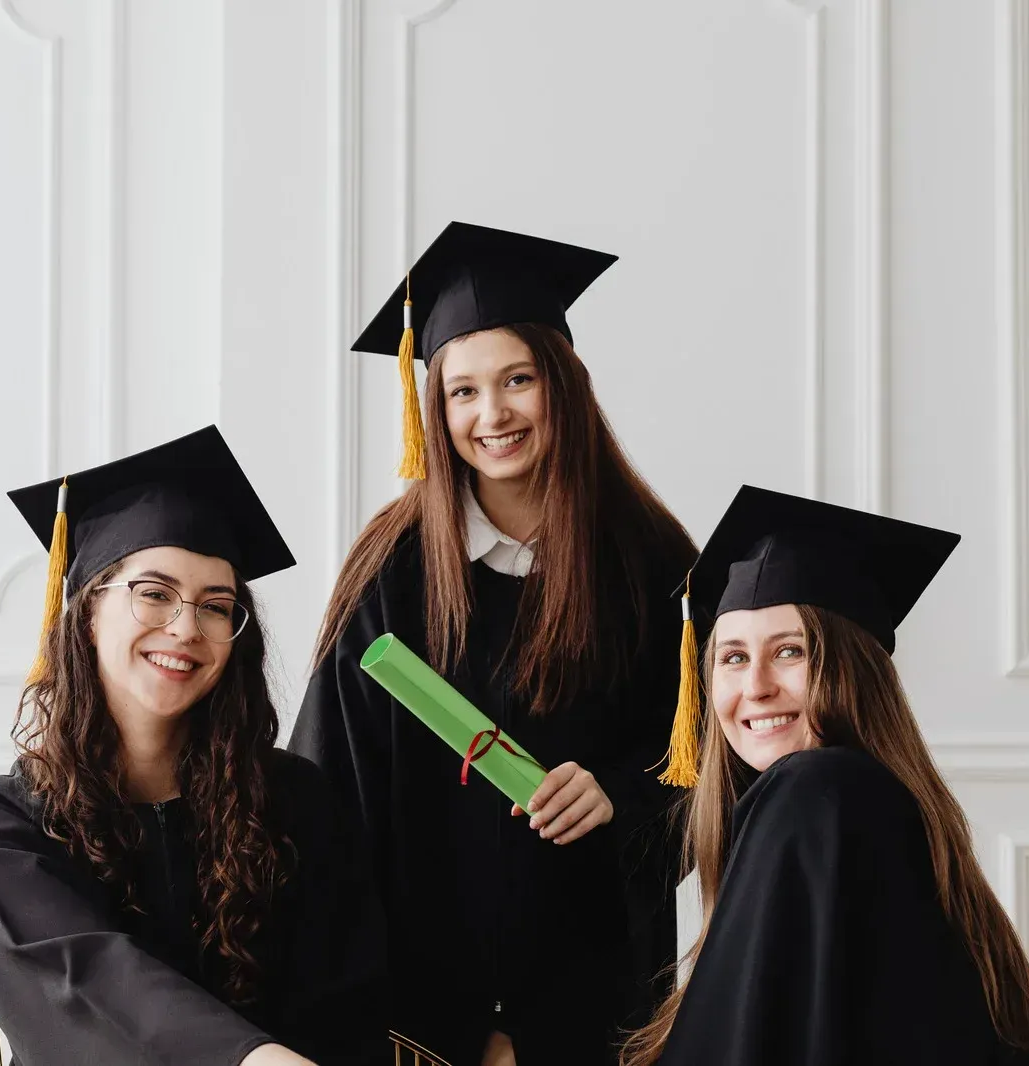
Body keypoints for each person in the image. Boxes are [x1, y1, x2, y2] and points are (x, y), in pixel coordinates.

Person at [291, 222, 698, 1065]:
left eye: (518, 380)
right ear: (434, 411)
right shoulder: (392, 572)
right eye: (463, 392)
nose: (493, 414)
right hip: (417, 1010)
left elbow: (706, 767)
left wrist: (620, 794)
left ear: (565, 386)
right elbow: (328, 793)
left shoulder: (653, 562)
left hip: (598, 1001)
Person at [0, 426, 387, 1066]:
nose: (184, 628)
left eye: (216, 605)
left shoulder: (297, 804)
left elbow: (345, 1007)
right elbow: (88, 985)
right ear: (89, 609)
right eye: (154, 594)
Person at [622, 485, 1029, 1066]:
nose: (756, 687)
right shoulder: (883, 813)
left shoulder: (819, 794)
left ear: (853, 668)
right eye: (733, 657)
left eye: (791, 651)